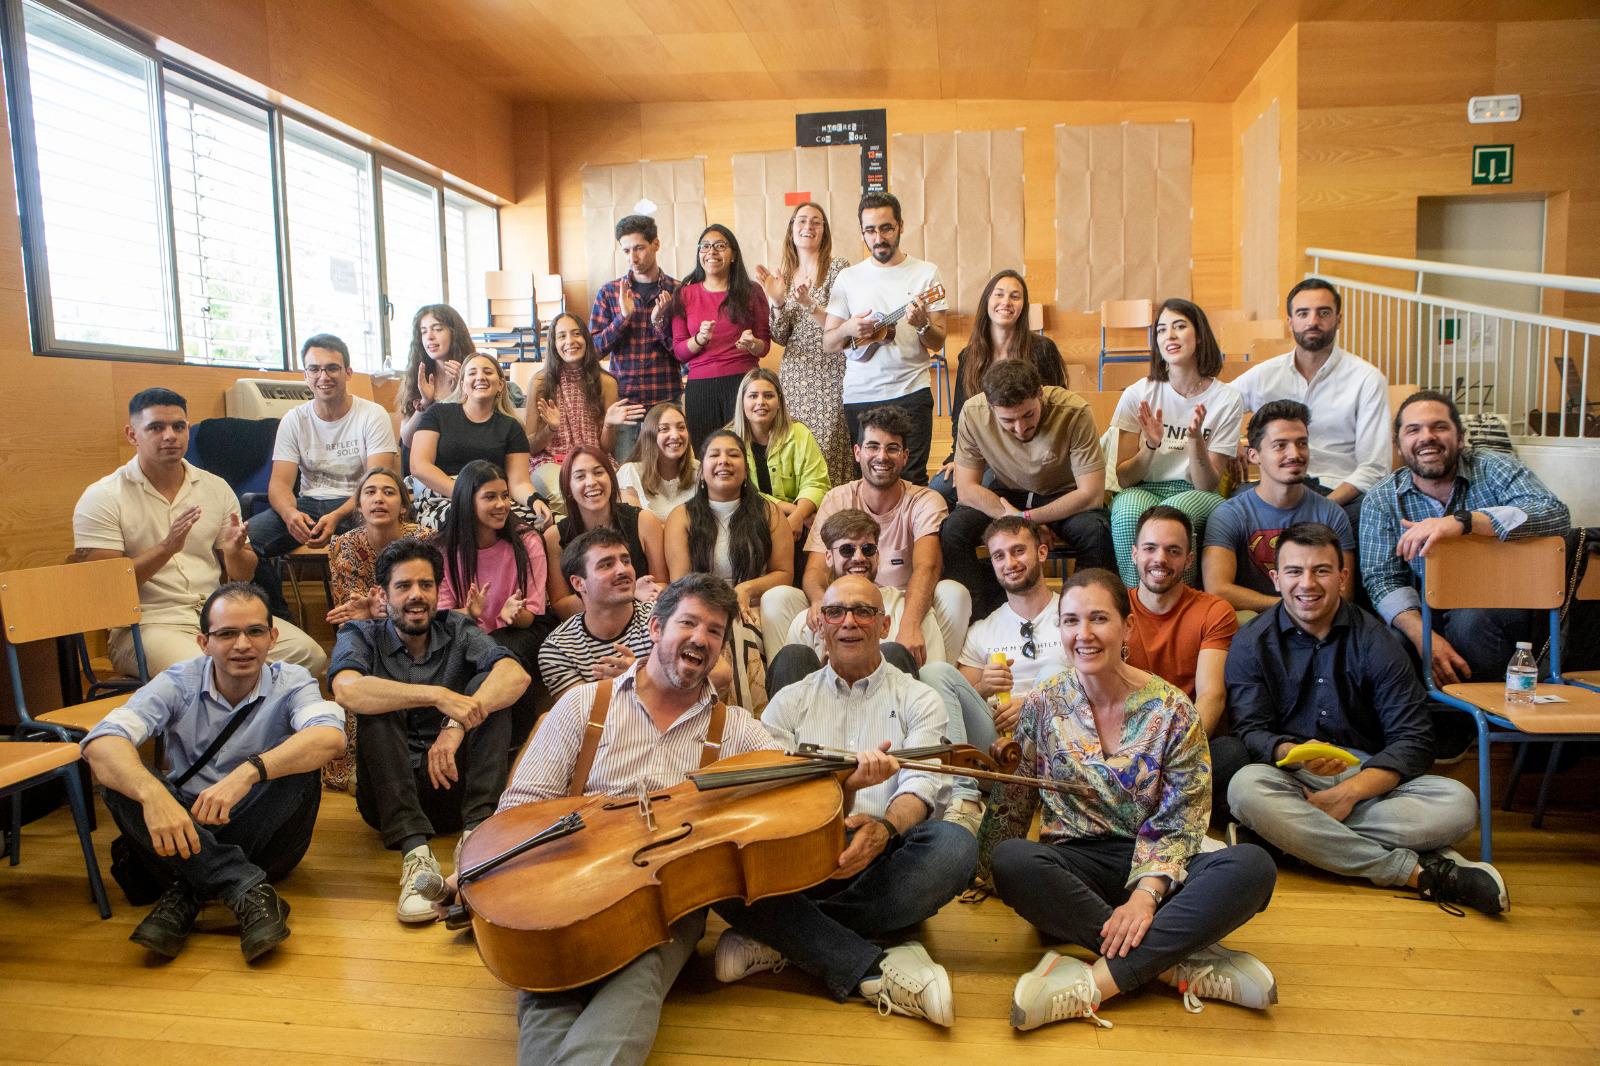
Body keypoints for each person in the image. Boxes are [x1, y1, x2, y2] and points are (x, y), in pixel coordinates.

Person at [491, 574, 898, 1066]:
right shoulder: (584, 705)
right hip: (566, 876)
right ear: (656, 628)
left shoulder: (737, 731)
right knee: (547, 986)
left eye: (714, 632)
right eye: (689, 623)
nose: (701, 639)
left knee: (637, 983)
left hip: (665, 895)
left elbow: (800, 793)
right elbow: (520, 807)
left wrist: (848, 782)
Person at [989, 569, 1278, 1030]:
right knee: (1012, 861)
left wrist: (1146, 896)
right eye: (1070, 621)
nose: (1083, 634)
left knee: (1252, 867)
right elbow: (1015, 795)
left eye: (1098, 619)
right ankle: (1174, 963)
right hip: (1075, 870)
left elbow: (1183, 820)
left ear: (1127, 627)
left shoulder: (1173, 709)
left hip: (1157, 869)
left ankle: (1100, 980)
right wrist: (985, 863)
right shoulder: (1043, 702)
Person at [712, 575, 975, 1027]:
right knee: (714, 864)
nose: (848, 622)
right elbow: (778, 799)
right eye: (835, 612)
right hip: (804, 856)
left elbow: (920, 788)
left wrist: (883, 830)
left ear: (885, 623)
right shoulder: (788, 702)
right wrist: (846, 792)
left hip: (885, 859)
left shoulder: (920, 699)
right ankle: (861, 954)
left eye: (863, 611)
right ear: (820, 624)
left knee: (954, 847)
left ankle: (783, 934)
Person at [1225, 523, 1508, 915]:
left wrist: (1350, 792)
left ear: (1342, 577)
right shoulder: (1250, 642)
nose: (1307, 583)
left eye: (1321, 570)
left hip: (1371, 778)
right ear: (1275, 578)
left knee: (1458, 804)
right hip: (1294, 778)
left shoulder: (1379, 641)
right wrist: (1292, 751)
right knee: (1244, 787)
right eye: (1294, 571)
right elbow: (1251, 731)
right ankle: (1420, 872)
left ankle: (1281, 840)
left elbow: (1414, 739)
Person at [81, 582, 344, 962]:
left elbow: (330, 737)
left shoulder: (293, 681)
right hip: (184, 827)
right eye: (226, 634)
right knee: (122, 782)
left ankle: (186, 888)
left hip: (267, 836)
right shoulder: (177, 681)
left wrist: (247, 774)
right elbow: (100, 742)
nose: (242, 645)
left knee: (298, 764)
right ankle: (243, 886)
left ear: (272, 637)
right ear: (204, 642)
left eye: (254, 631)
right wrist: (154, 796)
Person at [328, 538, 532, 923]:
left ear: (439, 592)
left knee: (486, 692)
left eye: (425, 585)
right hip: (391, 796)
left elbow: (515, 675)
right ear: (382, 594)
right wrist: (438, 696)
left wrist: (455, 725)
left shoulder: (457, 627)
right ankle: (416, 857)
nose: (416, 596)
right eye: (403, 586)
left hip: (455, 786)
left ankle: (477, 840)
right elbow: (347, 689)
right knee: (378, 701)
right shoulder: (360, 634)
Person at [1359, 390, 1570, 755]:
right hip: (1428, 610)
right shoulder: (1382, 498)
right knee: (1387, 640)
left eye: (1439, 427)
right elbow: (1381, 578)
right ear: (1398, 444)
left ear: (1459, 437)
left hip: (1504, 606)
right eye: (1413, 430)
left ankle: (1483, 723)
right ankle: (1419, 734)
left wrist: (1466, 522)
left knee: (1472, 620)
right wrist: (1422, 635)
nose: (1427, 436)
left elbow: (1554, 513)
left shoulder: (1494, 468)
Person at [72, 388, 326, 677]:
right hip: (148, 625)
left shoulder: (215, 488)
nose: (170, 435)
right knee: (207, 671)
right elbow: (105, 589)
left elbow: (242, 575)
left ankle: (258, 714)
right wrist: (165, 548)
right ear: (132, 435)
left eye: (179, 426)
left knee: (309, 656)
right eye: (156, 427)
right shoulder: (103, 496)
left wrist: (234, 553)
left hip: (219, 617)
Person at [771, 406, 968, 667]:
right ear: (857, 452)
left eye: (892, 448)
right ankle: (783, 690)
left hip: (900, 603)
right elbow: (816, 570)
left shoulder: (925, 500)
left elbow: (927, 567)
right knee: (777, 598)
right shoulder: (837, 498)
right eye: (873, 446)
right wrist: (820, 602)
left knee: (954, 594)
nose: (882, 456)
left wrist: (909, 625)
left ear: (906, 456)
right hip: (842, 601)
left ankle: (940, 678)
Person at [940, 360, 1114, 620]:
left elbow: (1091, 494)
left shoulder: (1074, 411)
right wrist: (1013, 516)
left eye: (1028, 415)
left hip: (1062, 493)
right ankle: (983, 616)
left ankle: (1080, 614)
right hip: (1006, 493)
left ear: (1040, 394)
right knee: (954, 530)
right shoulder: (973, 412)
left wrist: (1028, 519)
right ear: (990, 408)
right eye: (1008, 421)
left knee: (1096, 532)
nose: (1020, 428)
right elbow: (966, 489)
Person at [247, 333, 399, 612]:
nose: (323, 376)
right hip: (307, 507)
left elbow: (379, 482)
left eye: (332, 368)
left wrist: (337, 515)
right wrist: (289, 514)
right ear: (305, 375)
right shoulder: (294, 420)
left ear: (348, 372)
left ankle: (377, 618)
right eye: (314, 369)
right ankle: (278, 618)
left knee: (381, 535)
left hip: (359, 505)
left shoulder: (372, 415)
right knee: (245, 543)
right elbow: (279, 485)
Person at [1231, 278, 1390, 532]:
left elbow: (1374, 468)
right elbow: (1214, 409)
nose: (1313, 321)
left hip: (1338, 491)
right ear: (1290, 321)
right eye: (1303, 313)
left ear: (1339, 319)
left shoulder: (1367, 379)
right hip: (1274, 488)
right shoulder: (1265, 374)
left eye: (1323, 312)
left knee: (1373, 516)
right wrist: (1230, 444)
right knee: (1225, 516)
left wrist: (1323, 507)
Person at [1109, 298, 1244, 587]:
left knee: (1173, 516)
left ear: (1199, 335)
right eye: (1161, 330)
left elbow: (1207, 484)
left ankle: (1180, 609)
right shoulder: (1138, 394)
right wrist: (1151, 447)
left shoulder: (1227, 398)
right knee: (1126, 511)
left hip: (1196, 491)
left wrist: (1195, 442)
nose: (1169, 336)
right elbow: (1123, 478)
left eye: (1179, 326)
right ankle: (1136, 606)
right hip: (1144, 488)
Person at [1125, 506, 1242, 824]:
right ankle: (1169, 816)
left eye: (1173, 550)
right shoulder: (1115, 609)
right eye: (1150, 548)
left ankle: (1149, 815)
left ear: (1188, 560)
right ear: (1135, 554)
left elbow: (1211, 696)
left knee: (1232, 754)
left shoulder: (1214, 611)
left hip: (1187, 744)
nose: (1160, 559)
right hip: (1127, 745)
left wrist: (1168, 755)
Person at [917, 517, 1068, 761]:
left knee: (1053, 673)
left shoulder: (1072, 616)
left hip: (1056, 746)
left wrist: (1031, 706)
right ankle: (962, 791)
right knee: (935, 672)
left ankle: (1054, 783)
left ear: (1041, 552)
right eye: (999, 556)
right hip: (996, 745)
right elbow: (961, 697)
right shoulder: (983, 629)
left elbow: (1098, 687)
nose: (1010, 563)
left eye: (1018, 551)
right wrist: (984, 689)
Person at [823, 191, 948, 485]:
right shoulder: (848, 278)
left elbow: (938, 341)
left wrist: (921, 325)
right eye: (870, 230)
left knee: (912, 479)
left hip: (911, 392)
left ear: (901, 226)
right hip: (860, 396)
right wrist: (848, 329)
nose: (878, 238)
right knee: (867, 479)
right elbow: (829, 343)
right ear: (862, 233)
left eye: (886, 228)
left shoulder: (926, 274)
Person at [433, 461, 551, 746]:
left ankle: (516, 742)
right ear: (466, 501)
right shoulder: (443, 549)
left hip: (520, 631)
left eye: (504, 495)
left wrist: (512, 614)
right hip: (466, 630)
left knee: (502, 651)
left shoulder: (527, 540)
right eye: (490, 497)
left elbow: (531, 614)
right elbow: (444, 614)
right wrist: (471, 613)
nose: (501, 504)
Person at [1203, 400, 1357, 616]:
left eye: (1302, 443)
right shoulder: (1230, 514)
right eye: (1280, 445)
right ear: (1253, 455)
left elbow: (1343, 594)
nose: (1295, 454)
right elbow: (1217, 590)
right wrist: (1289, 605)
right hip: (1256, 624)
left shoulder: (1331, 515)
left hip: (1317, 621)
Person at [932, 269, 1066, 504]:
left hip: (1029, 453)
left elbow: (1058, 408)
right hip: (982, 456)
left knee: (979, 491)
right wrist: (958, 457)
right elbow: (960, 416)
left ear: (1023, 306)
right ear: (987, 302)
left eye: (1015, 296)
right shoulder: (969, 356)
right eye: (999, 294)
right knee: (938, 489)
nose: (1006, 302)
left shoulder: (1043, 349)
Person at [324, 466, 420, 791]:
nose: (379, 498)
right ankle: (354, 764)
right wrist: (376, 613)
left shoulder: (422, 541)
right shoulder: (343, 547)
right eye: (370, 492)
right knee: (355, 661)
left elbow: (425, 602)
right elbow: (348, 610)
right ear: (359, 506)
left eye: (389, 492)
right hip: (362, 628)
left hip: (414, 629)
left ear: (403, 506)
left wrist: (386, 612)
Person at [755, 201, 854, 484]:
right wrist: (776, 302)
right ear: (791, 229)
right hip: (796, 375)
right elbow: (780, 336)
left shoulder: (838, 269)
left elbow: (841, 327)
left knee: (827, 445)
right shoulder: (782, 276)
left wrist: (809, 304)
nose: (808, 226)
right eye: (801, 221)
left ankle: (832, 515)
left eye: (816, 222)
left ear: (824, 231)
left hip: (833, 369)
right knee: (798, 445)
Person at [664, 429, 793, 628]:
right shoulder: (682, 516)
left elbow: (784, 574)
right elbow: (681, 584)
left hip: (760, 610)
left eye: (733, 454)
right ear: (701, 471)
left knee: (782, 597)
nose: (724, 460)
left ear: (747, 470)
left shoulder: (769, 512)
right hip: (706, 611)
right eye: (714, 455)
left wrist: (746, 589)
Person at [408, 352, 548, 532]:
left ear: (500, 385)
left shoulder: (511, 427)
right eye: (472, 373)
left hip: (493, 498)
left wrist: (535, 500)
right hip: (443, 496)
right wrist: (466, 494)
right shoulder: (437, 414)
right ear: (462, 384)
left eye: (488, 372)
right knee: (469, 521)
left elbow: (518, 482)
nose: (480, 377)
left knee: (545, 524)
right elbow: (419, 465)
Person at [667, 223, 771, 450]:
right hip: (700, 388)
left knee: (749, 453)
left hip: (743, 383)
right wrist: (699, 339)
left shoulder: (751, 291)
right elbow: (679, 352)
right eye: (704, 246)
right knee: (707, 455)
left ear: (733, 254)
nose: (711, 251)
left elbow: (764, 346)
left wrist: (752, 343)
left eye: (719, 246)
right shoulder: (684, 294)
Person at [588, 213, 682, 461]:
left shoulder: (677, 290)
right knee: (628, 477)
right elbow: (594, 350)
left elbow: (683, 352)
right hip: (626, 403)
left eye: (639, 248)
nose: (633, 258)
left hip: (666, 399)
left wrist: (660, 321)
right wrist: (623, 318)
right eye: (626, 250)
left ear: (656, 244)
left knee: (669, 474)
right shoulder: (609, 292)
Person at [525, 311, 642, 505]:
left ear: (586, 339)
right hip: (551, 461)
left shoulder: (607, 382)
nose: (570, 341)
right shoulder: (540, 382)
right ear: (554, 344)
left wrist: (609, 425)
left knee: (625, 499)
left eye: (576, 333)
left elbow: (606, 448)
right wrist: (551, 429)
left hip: (594, 458)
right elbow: (530, 447)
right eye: (562, 336)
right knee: (566, 497)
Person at [544, 445, 667, 618]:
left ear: (611, 478)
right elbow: (561, 607)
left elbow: (664, 584)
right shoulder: (554, 537)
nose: (591, 482)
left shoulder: (644, 521)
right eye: (580, 476)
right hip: (585, 630)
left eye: (598, 472)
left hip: (644, 621)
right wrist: (628, 592)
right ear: (568, 488)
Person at [538, 529, 658, 699]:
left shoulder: (663, 618)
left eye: (626, 561)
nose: (623, 570)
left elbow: (705, 679)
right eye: (607, 564)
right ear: (579, 583)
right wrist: (635, 684)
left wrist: (642, 681)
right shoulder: (559, 649)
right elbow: (582, 716)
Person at [729, 367, 830, 552]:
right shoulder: (729, 440)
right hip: (749, 522)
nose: (761, 402)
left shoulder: (800, 433)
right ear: (742, 402)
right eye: (753, 396)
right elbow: (741, 492)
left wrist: (798, 516)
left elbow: (816, 482)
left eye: (768, 395)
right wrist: (793, 513)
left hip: (801, 524)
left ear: (779, 401)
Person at [395, 303, 474, 453]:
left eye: (437, 329)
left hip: (461, 456)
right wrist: (425, 403)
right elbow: (407, 440)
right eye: (423, 332)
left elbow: (479, 433)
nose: (429, 337)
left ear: (454, 333)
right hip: (423, 457)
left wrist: (461, 392)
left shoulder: (473, 373)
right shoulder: (416, 377)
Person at [617, 401, 699, 522]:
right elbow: (635, 530)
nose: (675, 435)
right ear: (649, 435)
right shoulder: (630, 473)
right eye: (664, 429)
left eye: (681, 427)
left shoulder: (699, 469)